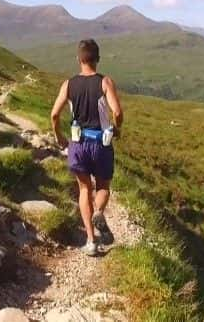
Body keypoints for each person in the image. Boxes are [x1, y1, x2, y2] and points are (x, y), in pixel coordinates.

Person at [50, 39, 123, 256]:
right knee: (102, 187)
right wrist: (117, 129)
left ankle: (91, 241)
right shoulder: (105, 82)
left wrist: (59, 135)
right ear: (97, 59)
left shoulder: (68, 84)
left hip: (78, 143)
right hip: (101, 144)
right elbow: (117, 112)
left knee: (84, 189)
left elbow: (54, 114)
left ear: (79, 59)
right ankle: (98, 211)